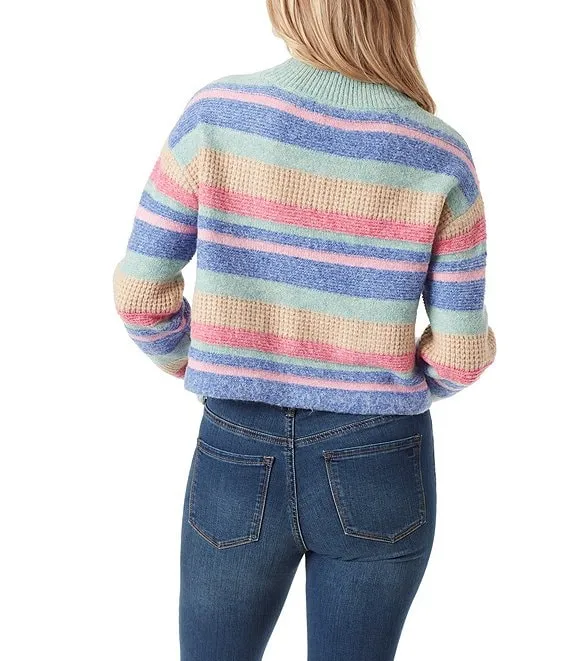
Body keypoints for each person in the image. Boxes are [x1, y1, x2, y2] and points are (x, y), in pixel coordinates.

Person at [113, 1, 496, 658]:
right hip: (382, 454)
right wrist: (386, 391)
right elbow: (461, 353)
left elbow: (140, 294)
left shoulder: (217, 116)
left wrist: (202, 365)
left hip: (237, 443)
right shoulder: (439, 150)